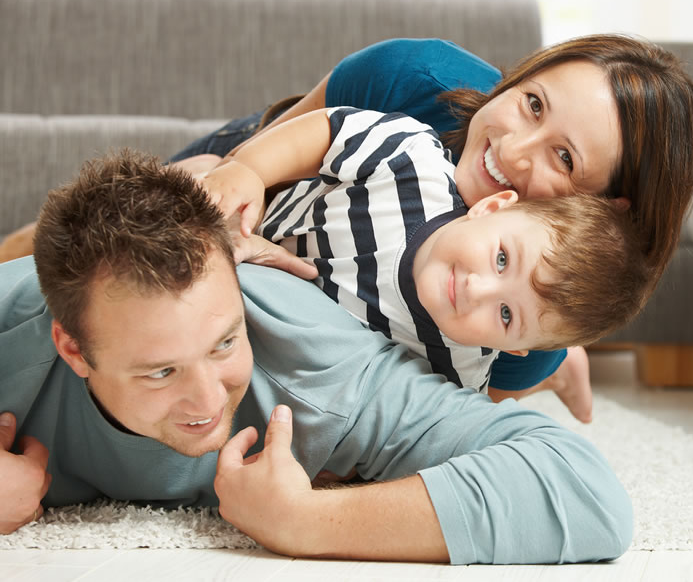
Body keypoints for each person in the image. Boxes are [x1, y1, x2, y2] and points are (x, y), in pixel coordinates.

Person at [0, 34, 693, 422]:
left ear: (602, 210)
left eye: (563, 158)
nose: (512, 150)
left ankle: (559, 375)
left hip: (360, 302)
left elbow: (424, 403)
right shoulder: (415, 89)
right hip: (287, 180)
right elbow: (292, 147)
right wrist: (241, 192)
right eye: (530, 104)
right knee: (109, 242)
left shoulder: (527, 303)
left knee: (521, 353)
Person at [0, 150, 632, 563]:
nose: (206, 399)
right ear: (73, 348)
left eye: (225, 343)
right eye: (159, 371)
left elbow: (585, 491)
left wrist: (309, 521)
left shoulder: (328, 369)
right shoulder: (18, 317)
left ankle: (549, 364)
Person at [201, 105, 649, 391]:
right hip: (254, 223)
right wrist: (248, 169)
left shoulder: (456, 374)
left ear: (510, 349)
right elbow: (327, 131)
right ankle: (563, 367)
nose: (478, 289)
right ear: (491, 207)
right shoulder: (412, 165)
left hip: (262, 320)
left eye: (506, 315)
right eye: (500, 259)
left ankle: (552, 375)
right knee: (195, 181)